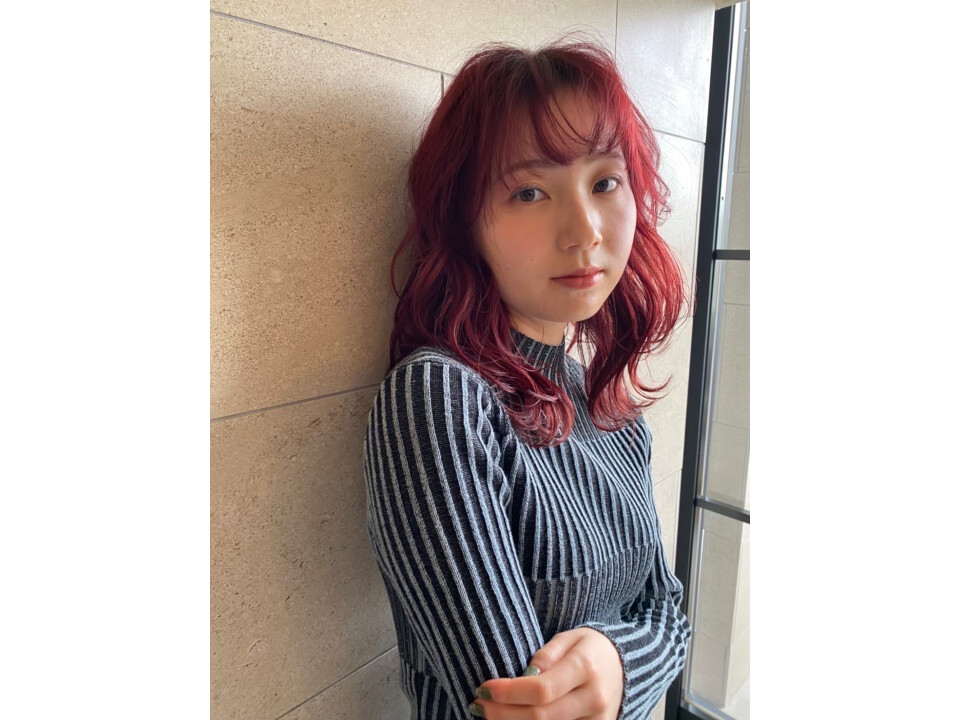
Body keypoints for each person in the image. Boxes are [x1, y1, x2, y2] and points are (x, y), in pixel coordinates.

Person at [362, 32, 692, 720]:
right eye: (530, 192)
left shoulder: (612, 410)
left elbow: (670, 612)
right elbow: (515, 706)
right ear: (465, 221)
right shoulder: (441, 400)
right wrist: (635, 661)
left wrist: (617, 663)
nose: (584, 230)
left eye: (605, 182)